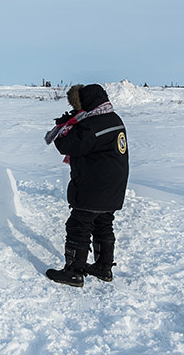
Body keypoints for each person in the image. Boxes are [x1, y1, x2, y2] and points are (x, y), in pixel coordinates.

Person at [44, 83, 129, 287]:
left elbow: (66, 145)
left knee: (78, 226)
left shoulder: (92, 125)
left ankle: (73, 272)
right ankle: (103, 267)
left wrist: (66, 128)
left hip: (94, 186)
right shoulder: (113, 118)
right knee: (103, 223)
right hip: (113, 186)